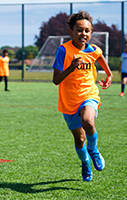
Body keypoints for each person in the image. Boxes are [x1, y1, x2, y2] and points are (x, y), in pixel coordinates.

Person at [52, 10, 113, 182]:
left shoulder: (93, 50)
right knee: (79, 140)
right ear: (70, 32)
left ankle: (93, 150)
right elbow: (56, 80)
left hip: (89, 95)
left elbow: (99, 56)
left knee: (88, 121)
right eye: (79, 30)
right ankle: (85, 162)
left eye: (87, 30)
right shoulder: (63, 50)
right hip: (69, 102)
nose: (83, 34)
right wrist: (71, 68)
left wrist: (109, 74)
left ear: (91, 32)